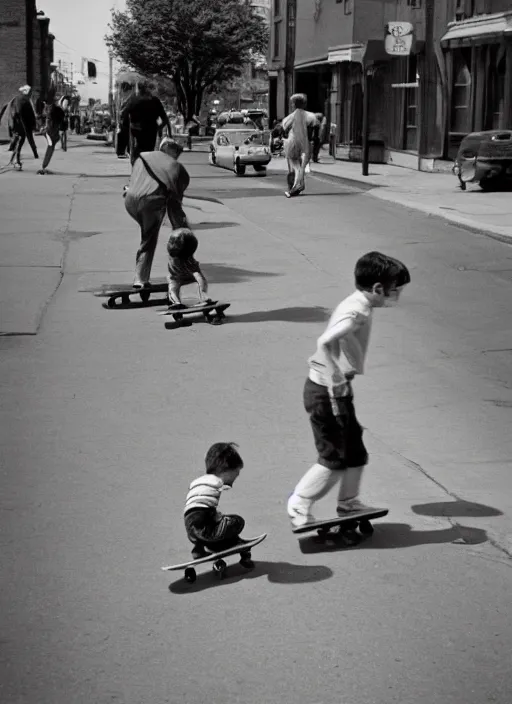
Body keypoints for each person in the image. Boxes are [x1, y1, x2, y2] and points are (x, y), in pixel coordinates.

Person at [287, 252, 411, 528]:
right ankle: (299, 503)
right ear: (379, 289)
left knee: (354, 449)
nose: (396, 297)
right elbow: (323, 342)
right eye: (396, 291)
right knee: (334, 457)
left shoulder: (359, 303)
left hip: (335, 392)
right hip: (325, 393)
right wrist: (336, 379)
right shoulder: (357, 312)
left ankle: (348, 503)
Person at [124, 137, 189, 289]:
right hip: (150, 202)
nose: (178, 155)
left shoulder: (143, 157)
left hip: (130, 200)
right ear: (171, 150)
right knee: (149, 239)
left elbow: (134, 180)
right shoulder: (176, 167)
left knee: (147, 237)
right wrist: (180, 229)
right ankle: (140, 279)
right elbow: (175, 206)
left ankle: (141, 278)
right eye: (177, 151)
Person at [184, 442, 245, 560]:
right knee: (237, 521)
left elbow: (197, 505)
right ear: (226, 469)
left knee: (205, 528)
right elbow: (202, 512)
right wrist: (218, 518)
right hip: (204, 526)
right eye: (236, 473)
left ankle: (198, 549)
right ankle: (226, 544)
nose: (236, 476)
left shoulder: (198, 482)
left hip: (189, 527)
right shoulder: (217, 482)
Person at [120, 83, 171, 166]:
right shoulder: (155, 101)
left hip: (137, 130)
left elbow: (125, 117)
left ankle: (137, 167)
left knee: (139, 150)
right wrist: (159, 128)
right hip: (151, 131)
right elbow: (165, 119)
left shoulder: (134, 100)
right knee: (148, 151)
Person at [282, 93, 318, 198]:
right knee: (302, 167)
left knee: (296, 166)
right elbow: (315, 129)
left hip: (293, 142)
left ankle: (296, 187)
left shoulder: (292, 116)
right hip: (306, 143)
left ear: (293, 104)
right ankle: (298, 186)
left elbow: (284, 127)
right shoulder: (311, 116)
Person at [166, 228, 209, 308]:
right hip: (180, 276)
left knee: (173, 288)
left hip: (178, 277)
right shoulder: (185, 258)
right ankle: (177, 302)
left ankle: (176, 302)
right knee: (174, 287)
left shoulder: (180, 257)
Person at [4, 85, 39, 168]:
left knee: (19, 141)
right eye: (30, 92)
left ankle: (14, 159)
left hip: (19, 125)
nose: (31, 94)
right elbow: (21, 114)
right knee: (20, 141)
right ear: (26, 92)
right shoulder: (22, 100)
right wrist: (27, 126)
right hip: (20, 125)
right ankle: (16, 160)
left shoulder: (21, 99)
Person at [37, 96, 69, 175]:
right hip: (50, 132)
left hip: (53, 133)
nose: (66, 105)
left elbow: (61, 123)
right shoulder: (55, 110)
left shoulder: (59, 111)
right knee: (50, 147)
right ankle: (43, 167)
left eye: (67, 104)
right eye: (65, 103)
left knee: (51, 147)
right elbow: (44, 116)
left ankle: (44, 167)